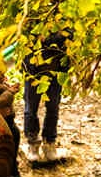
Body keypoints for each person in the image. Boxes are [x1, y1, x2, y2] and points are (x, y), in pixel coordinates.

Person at [22, 25, 70, 162]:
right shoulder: (32, 17)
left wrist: (48, 39)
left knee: (53, 107)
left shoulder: (63, 13)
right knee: (31, 108)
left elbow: (70, 34)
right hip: (33, 72)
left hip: (56, 72)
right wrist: (57, 37)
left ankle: (49, 143)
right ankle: (33, 144)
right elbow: (27, 35)